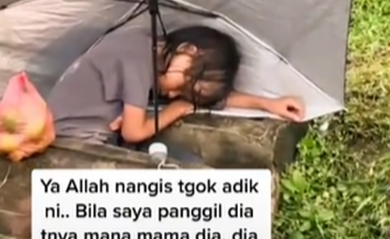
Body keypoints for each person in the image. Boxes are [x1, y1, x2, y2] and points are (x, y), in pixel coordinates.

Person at [47, 25, 305, 152]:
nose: (171, 95)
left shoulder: (154, 54)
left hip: (94, 133)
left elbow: (206, 99)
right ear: (188, 51)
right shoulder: (138, 59)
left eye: (183, 95)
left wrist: (266, 104)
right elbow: (133, 132)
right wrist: (177, 108)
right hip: (72, 142)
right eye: (181, 87)